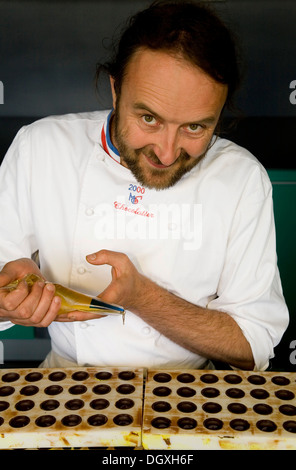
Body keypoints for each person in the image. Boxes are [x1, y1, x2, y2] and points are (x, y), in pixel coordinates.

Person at [0, 0, 289, 371]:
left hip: (190, 395)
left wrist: (144, 298)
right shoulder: (41, 147)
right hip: (65, 380)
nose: (167, 153)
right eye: (149, 118)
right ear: (116, 90)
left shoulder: (241, 178)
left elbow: (253, 344)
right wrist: (13, 298)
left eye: (195, 127)